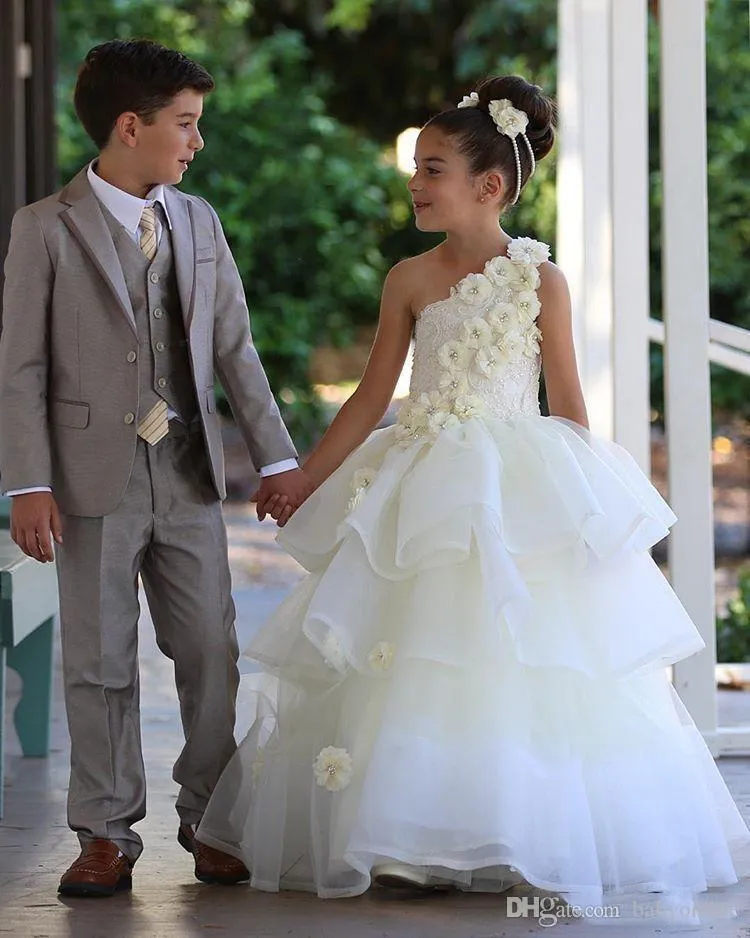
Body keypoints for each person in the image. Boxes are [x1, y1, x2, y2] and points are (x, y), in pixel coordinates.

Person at [196, 75, 750, 909]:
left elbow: (566, 402)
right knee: (413, 656)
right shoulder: (408, 280)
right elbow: (372, 395)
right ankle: (406, 842)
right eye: (415, 167)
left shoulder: (540, 280)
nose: (414, 183)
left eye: (432, 169)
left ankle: (531, 831)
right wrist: (307, 477)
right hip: (419, 483)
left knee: (514, 658)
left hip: (516, 483)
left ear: (489, 186)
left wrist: (584, 507)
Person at [0, 38, 312, 897]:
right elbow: (20, 367)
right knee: (98, 661)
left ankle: (212, 819)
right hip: (85, 482)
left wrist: (278, 459)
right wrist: (27, 483)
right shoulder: (45, 228)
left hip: (186, 475)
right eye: (186, 124)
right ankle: (103, 833)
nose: (196, 143)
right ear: (130, 126)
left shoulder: (198, 220)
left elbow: (235, 348)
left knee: (212, 648)